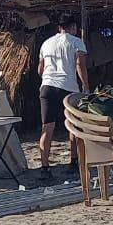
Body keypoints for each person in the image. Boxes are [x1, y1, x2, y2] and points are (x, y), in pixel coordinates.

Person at [37, 16, 88, 179]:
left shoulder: (46, 43)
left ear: (59, 28)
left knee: (47, 128)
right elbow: (80, 65)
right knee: (73, 126)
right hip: (69, 88)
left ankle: (45, 168)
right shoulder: (77, 42)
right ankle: (73, 161)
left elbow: (40, 70)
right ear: (73, 27)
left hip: (48, 87)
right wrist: (85, 86)